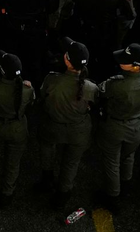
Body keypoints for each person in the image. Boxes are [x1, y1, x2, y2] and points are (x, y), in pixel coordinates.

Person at [96, 43, 140, 210]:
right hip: (138, 124)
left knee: (112, 162)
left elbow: (100, 92)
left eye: (125, 60)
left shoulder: (117, 83)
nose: (120, 61)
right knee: (128, 156)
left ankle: (113, 197)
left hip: (115, 126)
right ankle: (126, 186)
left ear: (136, 67)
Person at [37, 38, 98, 208]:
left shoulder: (52, 80)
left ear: (66, 59)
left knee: (47, 148)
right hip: (78, 131)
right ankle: (63, 194)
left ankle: (47, 179)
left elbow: (42, 97)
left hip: (53, 126)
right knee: (71, 162)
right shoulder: (91, 87)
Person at [0, 52, 33, 206]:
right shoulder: (27, 89)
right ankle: (6, 194)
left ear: (2, 71)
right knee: (12, 163)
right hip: (18, 128)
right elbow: (32, 102)